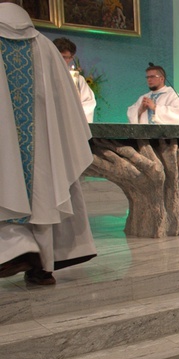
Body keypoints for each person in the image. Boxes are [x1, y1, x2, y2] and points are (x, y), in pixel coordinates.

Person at [0, 0, 96, 285]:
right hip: (42, 144)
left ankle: (17, 251)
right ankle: (43, 265)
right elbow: (67, 105)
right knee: (43, 193)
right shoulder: (44, 46)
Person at [52, 37, 96, 122]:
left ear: (71, 58)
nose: (59, 60)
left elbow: (89, 103)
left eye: (64, 57)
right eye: (57, 56)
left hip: (71, 122)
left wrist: (70, 113)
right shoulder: (43, 75)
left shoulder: (78, 80)